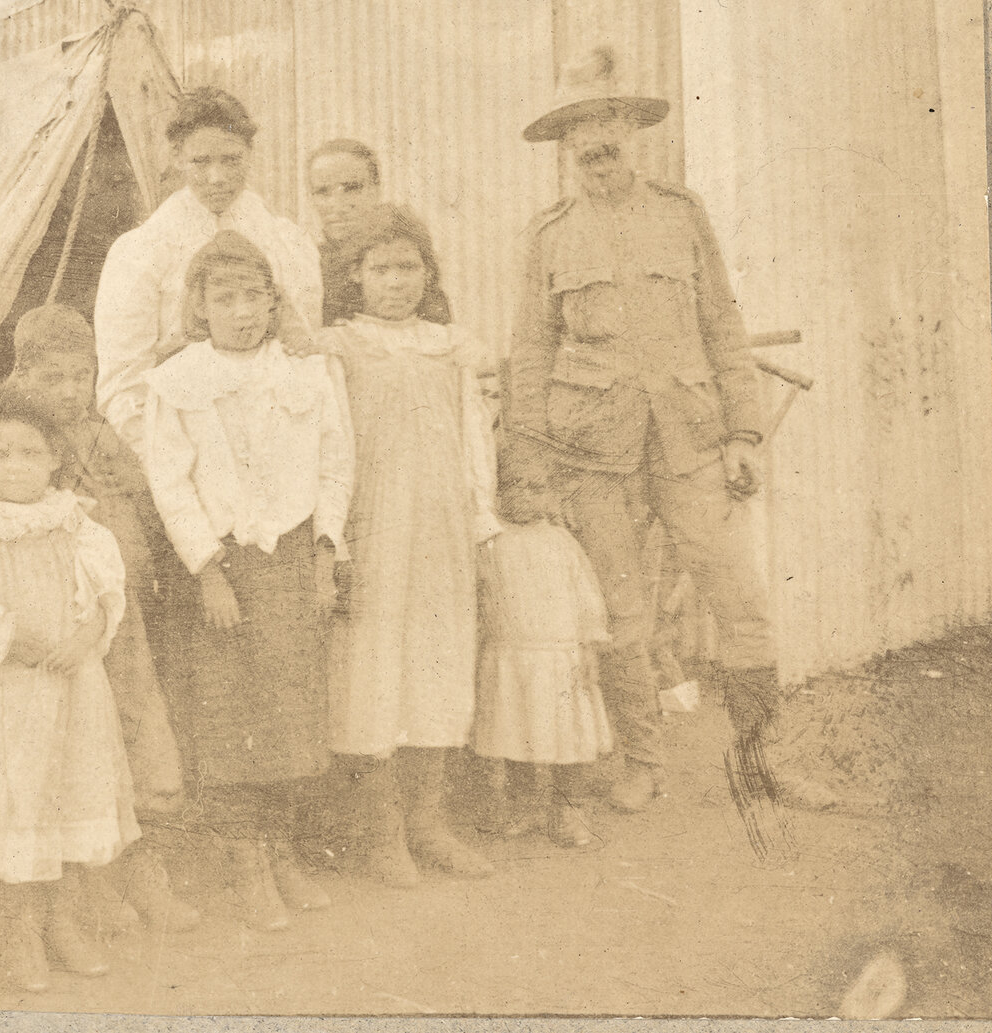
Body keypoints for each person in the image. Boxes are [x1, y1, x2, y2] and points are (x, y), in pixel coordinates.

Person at [502, 46, 837, 813]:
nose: (594, 139)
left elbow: (722, 322)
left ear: (632, 126)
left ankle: (761, 762)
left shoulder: (681, 214)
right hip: (595, 453)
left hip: (690, 444)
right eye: (577, 126)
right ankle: (643, 762)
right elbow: (530, 352)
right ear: (563, 143)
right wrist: (529, 463)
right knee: (621, 614)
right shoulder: (548, 236)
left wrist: (744, 432)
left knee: (740, 601)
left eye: (607, 119)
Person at [142, 231, 354, 932]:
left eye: (253, 296)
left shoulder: (309, 373)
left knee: (290, 713)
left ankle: (282, 850)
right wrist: (207, 570)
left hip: (291, 562)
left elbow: (334, 464)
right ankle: (247, 864)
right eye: (223, 297)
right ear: (199, 305)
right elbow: (170, 481)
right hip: (223, 570)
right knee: (233, 717)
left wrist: (325, 555)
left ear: (273, 301)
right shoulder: (175, 382)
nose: (240, 311)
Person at [0, 388, 139, 992]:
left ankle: (60, 920)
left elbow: (103, 595)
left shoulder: (76, 522)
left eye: (30, 453)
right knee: (9, 798)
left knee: (61, 793)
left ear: (54, 461)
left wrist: (86, 633)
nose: (15, 466)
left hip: (67, 689)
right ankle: (15, 930)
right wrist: (21, 643)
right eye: (1, 454)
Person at [319, 205, 499, 886]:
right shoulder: (341, 347)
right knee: (373, 679)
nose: (395, 281)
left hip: (443, 530)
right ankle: (383, 831)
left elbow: (476, 444)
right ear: (356, 276)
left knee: (437, 671)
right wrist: (334, 538)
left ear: (427, 273)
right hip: (376, 526)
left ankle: (429, 822)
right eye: (380, 268)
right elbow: (332, 446)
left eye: (408, 267)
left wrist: (482, 526)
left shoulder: (450, 347)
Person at [6, 302, 199, 935]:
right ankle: (83, 895)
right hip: (54, 626)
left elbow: (141, 511)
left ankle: (138, 877)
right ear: (22, 376)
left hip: (119, 621)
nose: (68, 391)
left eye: (79, 375)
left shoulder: (102, 435)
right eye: (50, 377)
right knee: (72, 750)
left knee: (137, 735)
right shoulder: (15, 442)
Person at [94, 86, 322, 462]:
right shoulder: (140, 252)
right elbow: (123, 386)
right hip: (182, 446)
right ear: (177, 156)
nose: (216, 177)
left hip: (275, 443)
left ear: (249, 154)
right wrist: (166, 465)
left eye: (231, 160)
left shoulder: (289, 244)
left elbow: (305, 355)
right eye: (201, 162)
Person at [471, 482, 614, 850]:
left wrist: (590, 647)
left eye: (537, 489)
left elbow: (586, 596)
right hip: (511, 653)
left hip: (560, 655)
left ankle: (570, 809)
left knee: (569, 738)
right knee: (516, 731)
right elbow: (480, 595)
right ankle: (526, 804)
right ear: (498, 494)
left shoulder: (561, 540)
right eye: (515, 489)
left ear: (551, 496)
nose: (526, 498)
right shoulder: (489, 541)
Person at [305, 137, 384, 245]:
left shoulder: (396, 256)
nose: (337, 206)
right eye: (322, 192)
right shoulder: (317, 254)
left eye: (351, 189)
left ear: (375, 192)